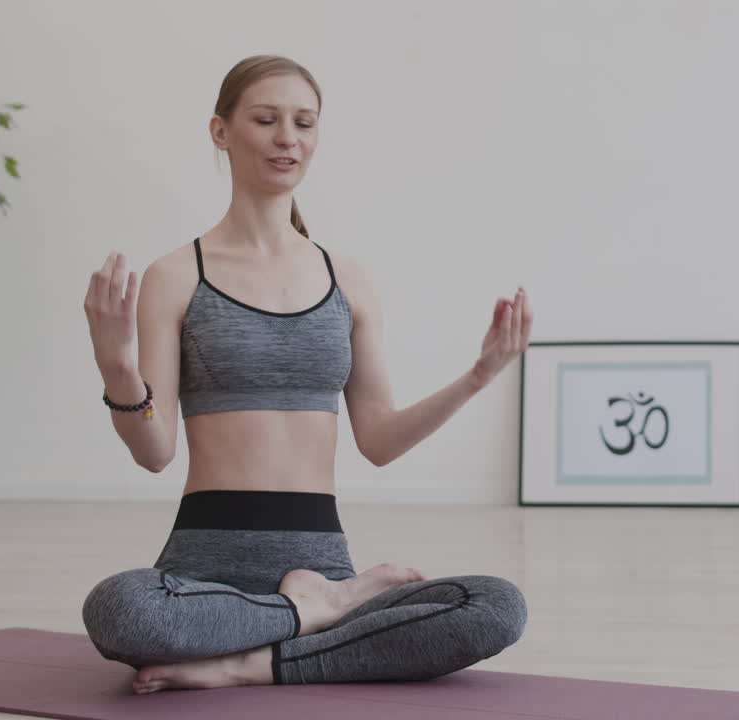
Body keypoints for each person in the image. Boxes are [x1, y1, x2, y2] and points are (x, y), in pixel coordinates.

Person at [80, 55, 532, 694]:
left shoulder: (347, 277)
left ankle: (249, 662)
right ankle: (308, 621)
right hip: (206, 571)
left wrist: (477, 376)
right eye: (266, 119)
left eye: (304, 123)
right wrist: (118, 368)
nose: (287, 137)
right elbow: (154, 452)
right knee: (122, 611)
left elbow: (378, 439)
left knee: (495, 606)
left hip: (323, 566)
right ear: (221, 131)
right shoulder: (176, 275)